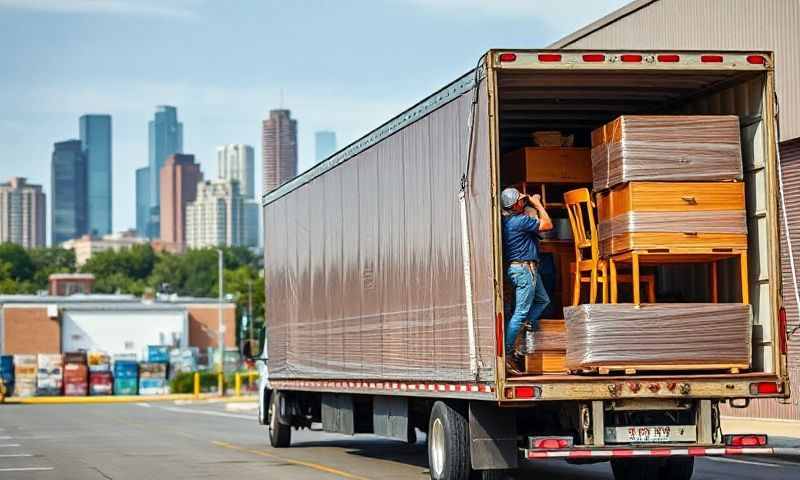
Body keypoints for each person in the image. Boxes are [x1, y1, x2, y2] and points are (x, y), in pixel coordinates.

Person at [500, 187, 553, 374]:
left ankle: (522, 329)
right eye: (522, 200)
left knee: (543, 300)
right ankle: (507, 354)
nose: (524, 202)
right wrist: (538, 203)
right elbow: (547, 225)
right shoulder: (519, 221)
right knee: (520, 312)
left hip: (527, 268)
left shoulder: (511, 221)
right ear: (515, 205)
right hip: (524, 269)